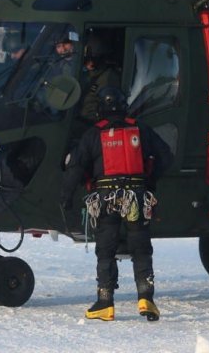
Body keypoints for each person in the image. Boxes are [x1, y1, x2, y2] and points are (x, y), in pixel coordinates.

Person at [60, 86, 174, 322]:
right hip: (136, 195)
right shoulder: (141, 129)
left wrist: (67, 195)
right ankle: (146, 298)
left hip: (105, 198)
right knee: (140, 247)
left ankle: (105, 302)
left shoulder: (94, 133)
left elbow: (77, 167)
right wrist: (149, 181)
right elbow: (166, 156)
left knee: (106, 249)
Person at [79, 33, 122, 122]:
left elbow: (109, 111)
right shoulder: (85, 73)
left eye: (94, 59)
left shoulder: (108, 78)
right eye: (87, 59)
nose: (90, 63)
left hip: (92, 123)